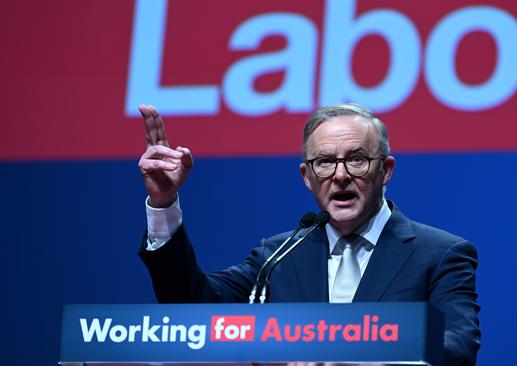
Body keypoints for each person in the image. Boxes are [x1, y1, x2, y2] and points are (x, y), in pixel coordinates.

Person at [137, 103, 480, 366]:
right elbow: (194, 315)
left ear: (386, 170)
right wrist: (164, 202)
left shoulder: (440, 253)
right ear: (307, 176)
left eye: (357, 159)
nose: (341, 175)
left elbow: (457, 348)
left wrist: (363, 359)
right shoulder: (278, 256)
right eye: (325, 162)